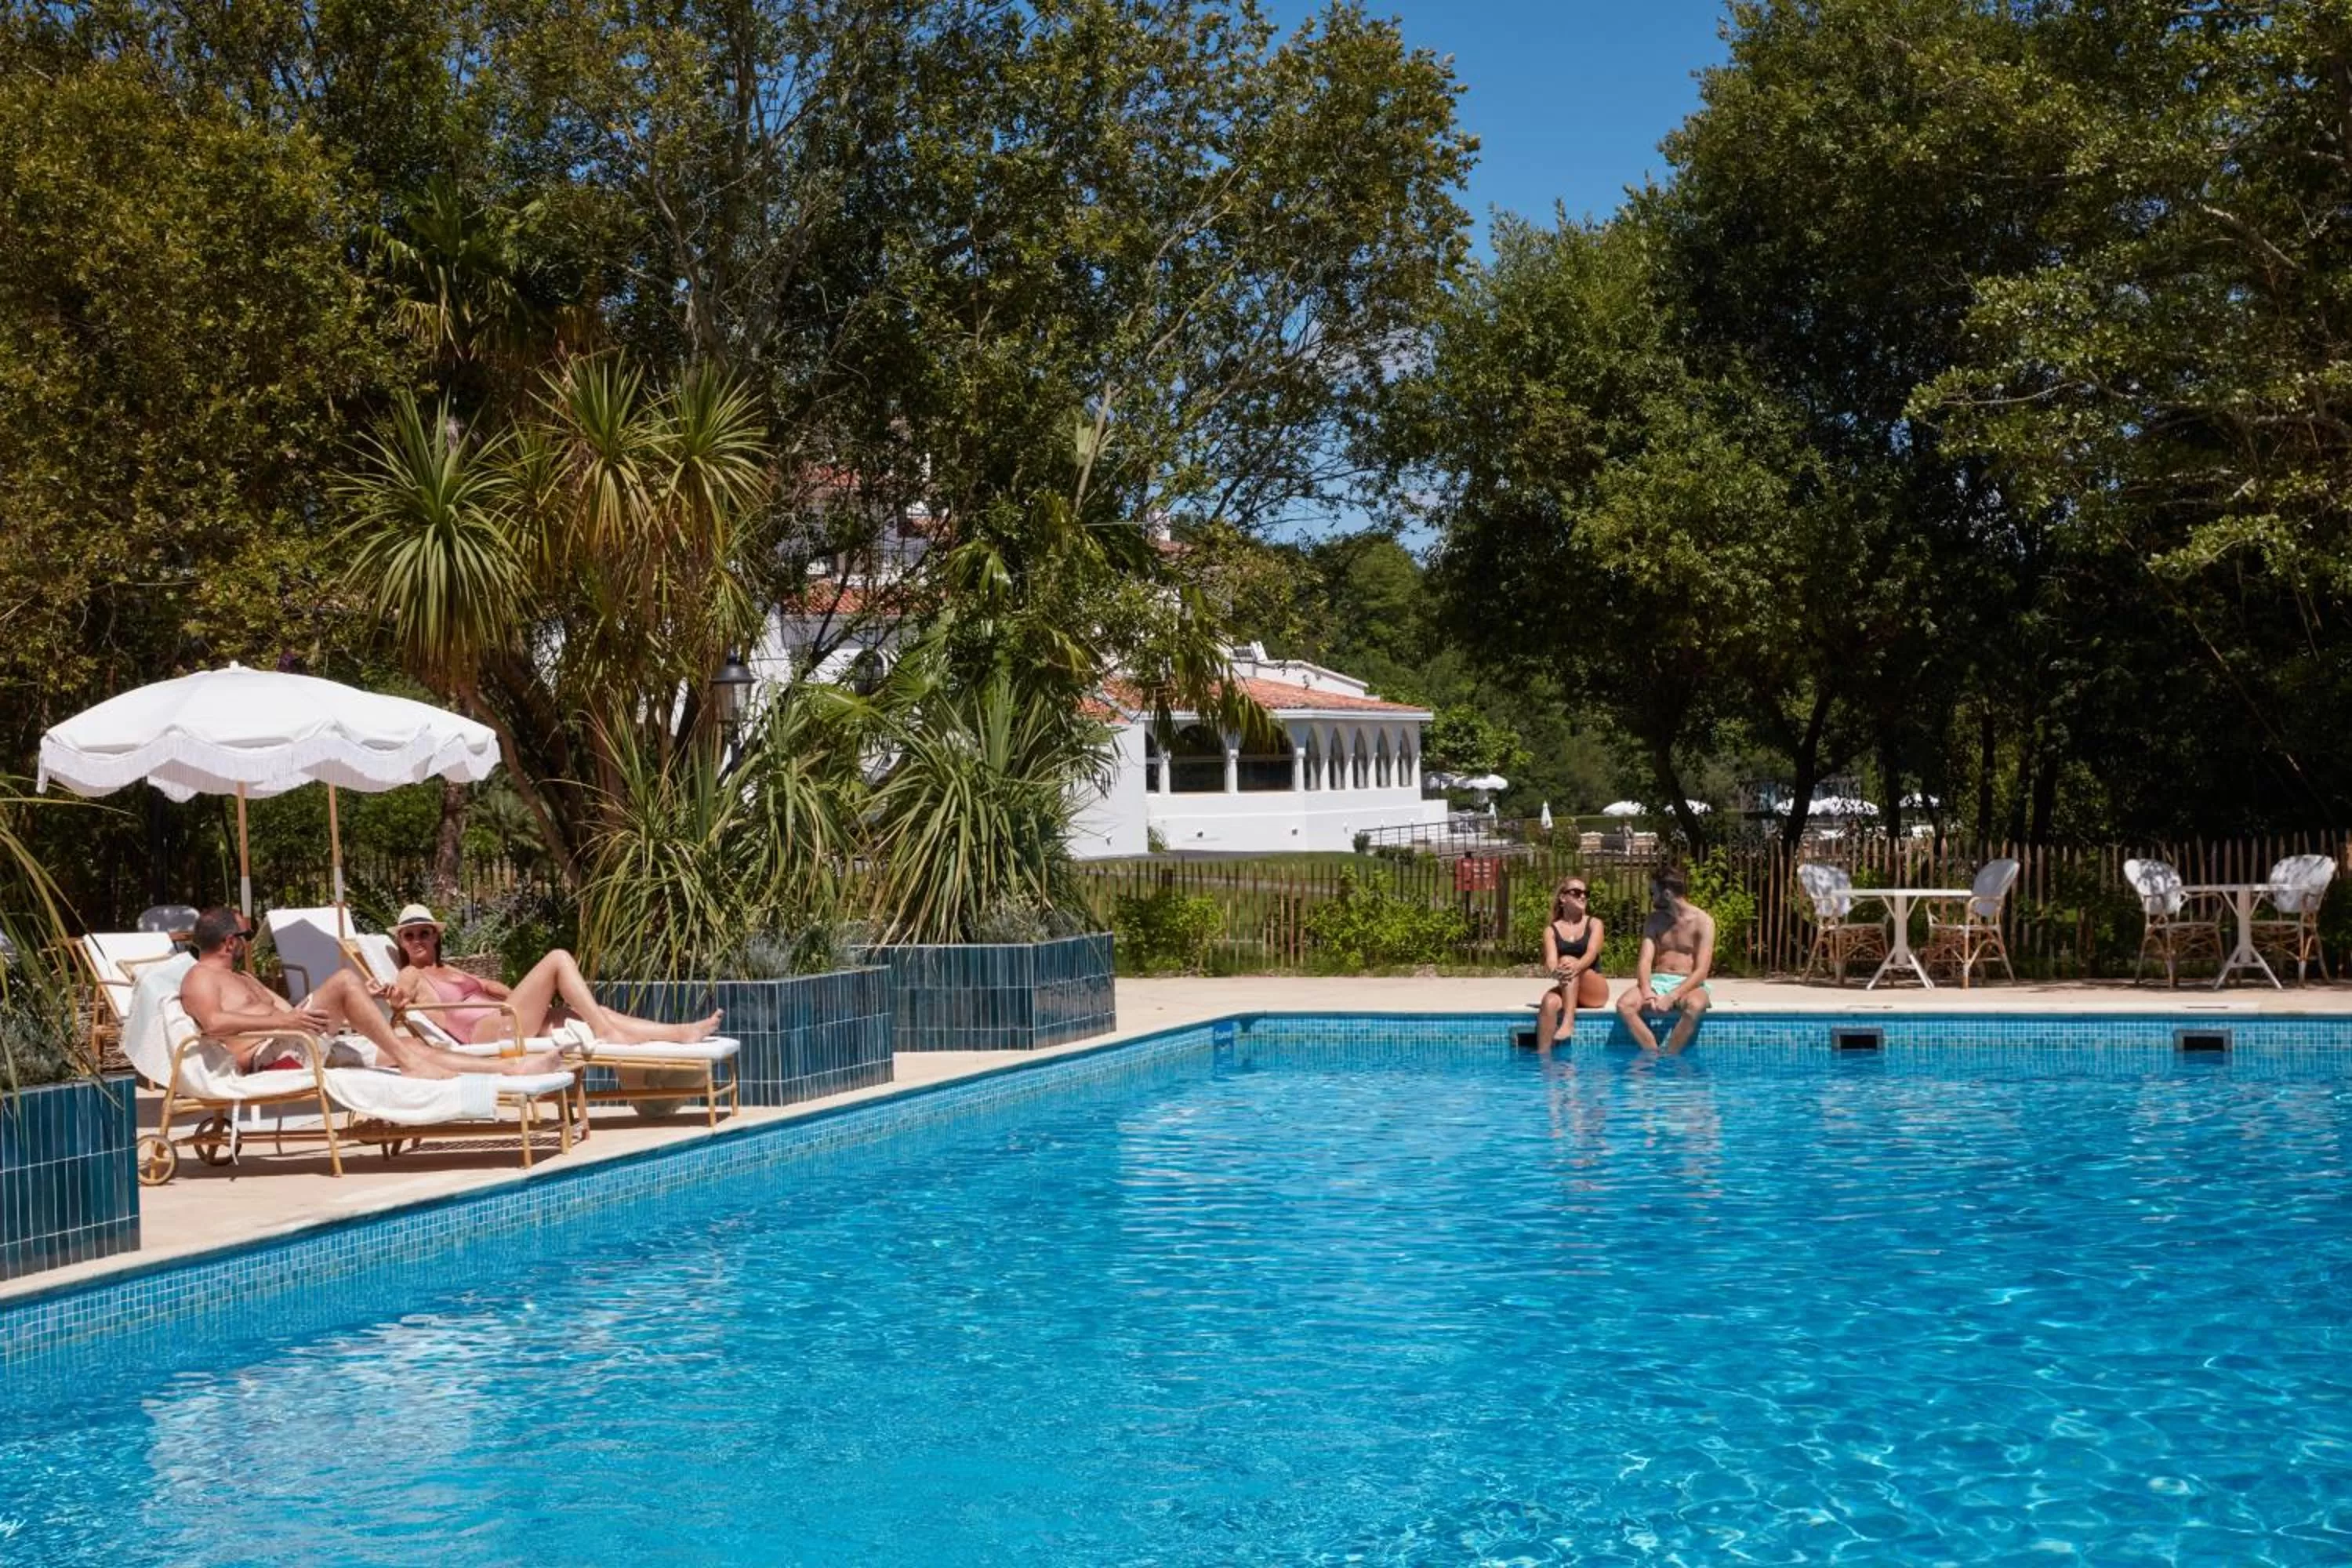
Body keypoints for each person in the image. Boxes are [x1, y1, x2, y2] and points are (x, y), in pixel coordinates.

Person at [177, 907, 564, 1079]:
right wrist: (290, 1019)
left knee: (416, 1046)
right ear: (230, 941)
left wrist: (351, 1005)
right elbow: (213, 1023)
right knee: (345, 981)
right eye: (245, 936)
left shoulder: (246, 979)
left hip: (298, 1042)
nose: (248, 943)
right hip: (270, 1059)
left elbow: (298, 1012)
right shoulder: (200, 978)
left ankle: (510, 1070)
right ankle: (407, 1062)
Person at [383, 904, 720, 1047]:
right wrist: (395, 999)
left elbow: (492, 987)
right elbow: (400, 995)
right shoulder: (411, 973)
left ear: (435, 936)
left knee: (589, 1013)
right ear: (401, 941)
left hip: (508, 1015)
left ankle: (681, 1032)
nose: (417, 940)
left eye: (424, 933)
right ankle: (607, 1033)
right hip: (485, 1032)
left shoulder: (449, 968)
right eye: (409, 935)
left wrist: (529, 996)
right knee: (558, 957)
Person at [1616, 862, 1713, 1054]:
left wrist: (1672, 996)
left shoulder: (1703, 922)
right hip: (1657, 981)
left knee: (1695, 1006)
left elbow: (1702, 971)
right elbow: (1645, 960)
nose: (1651, 898)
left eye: (1653, 893)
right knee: (1624, 1005)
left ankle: (1670, 1056)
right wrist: (1647, 991)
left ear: (1667, 894)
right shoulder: (1654, 920)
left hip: (1688, 984)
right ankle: (1653, 1054)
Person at [1534, 877, 1609, 1049]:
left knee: (1567, 960)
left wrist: (1572, 965)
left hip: (1594, 990)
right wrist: (1555, 972)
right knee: (1549, 1002)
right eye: (1576, 893)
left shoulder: (1594, 924)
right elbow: (1551, 962)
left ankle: (1569, 1021)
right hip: (1568, 986)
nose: (1582, 896)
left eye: (1585, 893)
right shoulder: (1551, 930)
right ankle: (1544, 1059)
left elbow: (1591, 954)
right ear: (1563, 898)